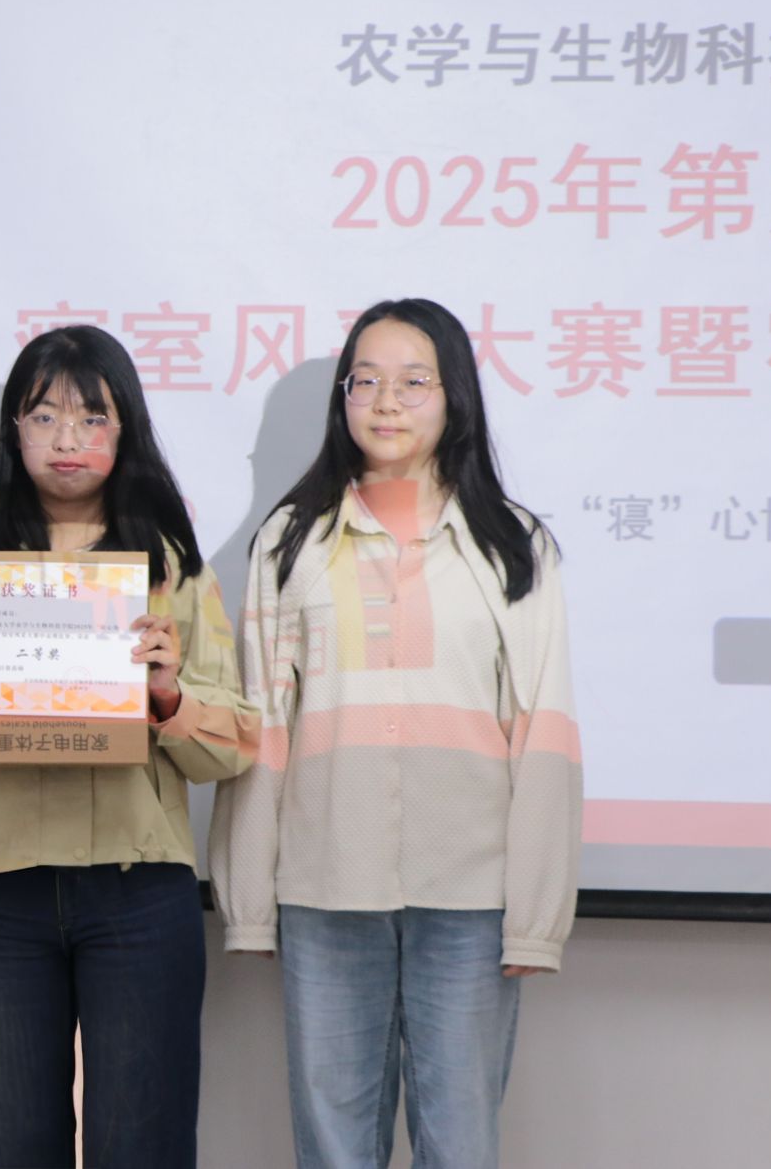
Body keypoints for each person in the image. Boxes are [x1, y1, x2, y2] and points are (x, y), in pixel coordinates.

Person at [0, 324, 257, 1169]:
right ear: (14, 432)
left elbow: (232, 746)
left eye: (91, 417)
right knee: (14, 1147)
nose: (67, 438)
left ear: (126, 430)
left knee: (141, 1147)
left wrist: (168, 699)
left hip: (137, 891)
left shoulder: (172, 570)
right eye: (44, 417)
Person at [210, 297, 580, 1169]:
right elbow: (265, 725)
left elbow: (545, 732)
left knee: (460, 1141)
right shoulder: (291, 542)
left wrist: (534, 915)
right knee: (334, 1142)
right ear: (342, 397)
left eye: (414, 382)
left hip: (472, 891)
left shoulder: (513, 544)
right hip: (326, 881)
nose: (385, 401)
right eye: (365, 380)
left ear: (455, 398)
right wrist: (250, 902)